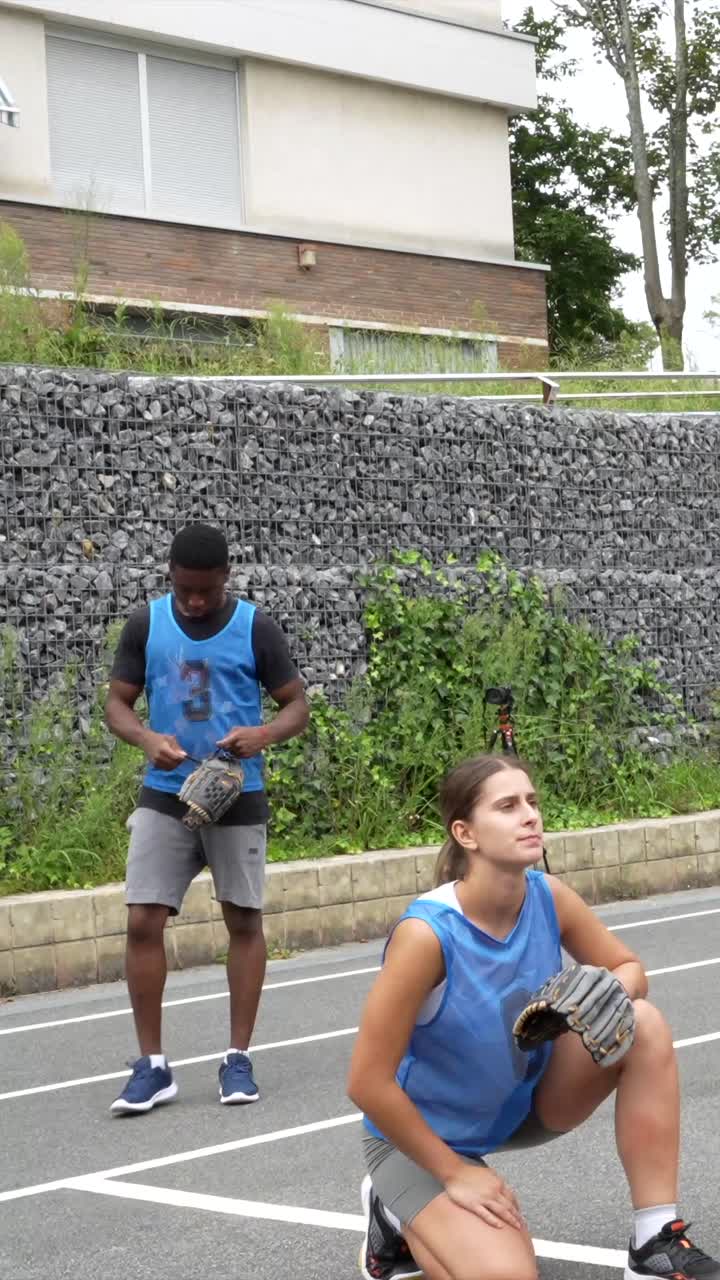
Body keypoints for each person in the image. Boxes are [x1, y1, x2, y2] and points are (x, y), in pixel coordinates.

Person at [347, 753, 720, 1280]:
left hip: (523, 1103)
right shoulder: (426, 936)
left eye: (532, 802)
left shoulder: (549, 897)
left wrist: (606, 987)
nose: (530, 815)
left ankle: (654, 1237)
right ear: (466, 833)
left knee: (643, 1021)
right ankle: (394, 1212)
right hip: (423, 1139)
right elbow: (366, 1082)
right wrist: (455, 1174)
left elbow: (630, 967)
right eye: (507, 806)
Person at [105, 523, 309, 1115]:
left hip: (235, 792)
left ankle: (236, 1057)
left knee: (243, 922)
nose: (194, 601)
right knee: (143, 920)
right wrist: (146, 738)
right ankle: (153, 1066)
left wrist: (263, 734)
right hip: (166, 791)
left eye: (205, 590)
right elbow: (116, 703)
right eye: (184, 589)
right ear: (170, 576)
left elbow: (297, 704)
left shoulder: (255, 627)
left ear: (226, 578)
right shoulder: (147, 624)